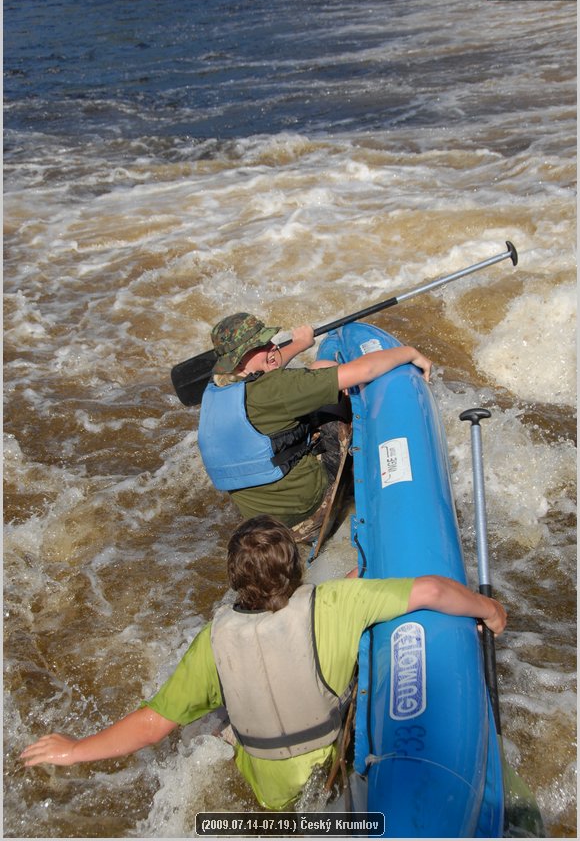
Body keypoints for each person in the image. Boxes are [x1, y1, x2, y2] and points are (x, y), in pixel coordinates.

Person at [20, 515, 507, 812]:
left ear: (235, 582)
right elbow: (433, 590)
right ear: (297, 566)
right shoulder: (340, 601)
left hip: (266, 797)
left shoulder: (214, 639)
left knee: (214, 721)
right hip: (329, 777)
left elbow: (151, 725)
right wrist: (490, 610)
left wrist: (73, 749)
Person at [197, 312, 433, 540]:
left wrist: (300, 344)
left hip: (268, 527)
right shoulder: (277, 389)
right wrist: (410, 352)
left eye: (268, 341)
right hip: (309, 513)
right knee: (328, 376)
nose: (272, 347)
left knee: (311, 378)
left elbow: (268, 367)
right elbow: (365, 370)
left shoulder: (215, 391)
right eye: (259, 346)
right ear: (239, 359)